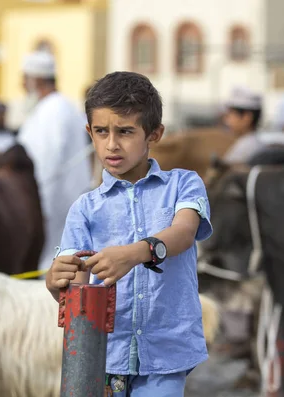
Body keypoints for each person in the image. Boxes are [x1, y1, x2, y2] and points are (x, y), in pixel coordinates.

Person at [46, 71, 212, 396]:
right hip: (103, 355)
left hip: (165, 357)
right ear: (88, 132)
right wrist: (57, 283)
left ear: (155, 133)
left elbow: (184, 232)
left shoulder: (183, 184)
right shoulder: (84, 208)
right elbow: (77, 290)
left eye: (125, 131)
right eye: (101, 131)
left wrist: (135, 253)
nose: (111, 144)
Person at [17, 51, 92, 273]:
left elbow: (45, 164)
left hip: (52, 204)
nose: (22, 85)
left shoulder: (55, 110)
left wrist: (33, 204)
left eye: (25, 80)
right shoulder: (52, 108)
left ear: (36, 81)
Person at [221, 86, 267, 164]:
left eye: (230, 114)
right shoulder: (252, 143)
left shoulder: (245, 149)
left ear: (246, 118)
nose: (226, 120)